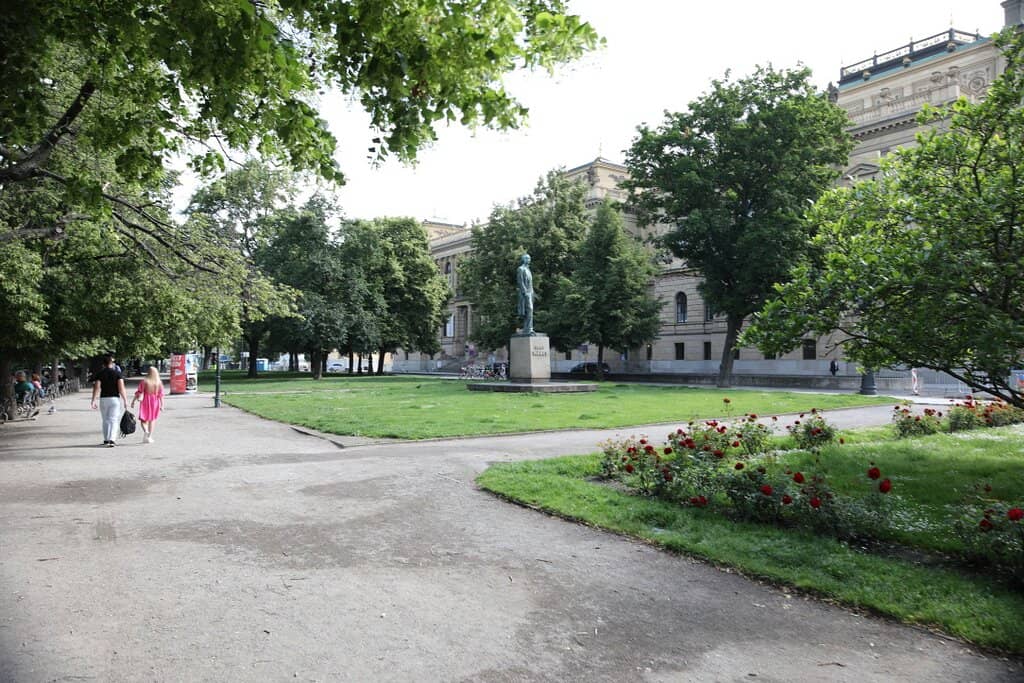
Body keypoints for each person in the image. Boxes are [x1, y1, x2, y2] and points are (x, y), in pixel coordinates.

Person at [90, 355, 128, 447]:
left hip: (103, 399)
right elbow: (121, 388)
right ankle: (112, 439)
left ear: (103, 364)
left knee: (105, 420)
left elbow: (97, 387)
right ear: (112, 363)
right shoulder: (117, 374)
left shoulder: (100, 374)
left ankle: (106, 439)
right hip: (114, 399)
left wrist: (93, 400)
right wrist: (125, 400)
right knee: (113, 420)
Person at [131, 366, 164, 444]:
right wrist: (162, 405)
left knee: (143, 419)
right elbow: (161, 395)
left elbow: (139, 392)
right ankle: (149, 437)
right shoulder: (159, 382)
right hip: (155, 402)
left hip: (145, 401)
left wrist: (133, 401)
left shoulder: (144, 381)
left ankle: (146, 430)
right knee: (152, 420)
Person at [516, 253, 535, 335]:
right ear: (523, 259)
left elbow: (530, 283)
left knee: (529, 311)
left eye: (529, 258)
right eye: (526, 258)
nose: (528, 260)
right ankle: (529, 328)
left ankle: (527, 328)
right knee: (529, 309)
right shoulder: (521, 269)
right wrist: (525, 292)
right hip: (525, 293)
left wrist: (532, 292)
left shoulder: (528, 270)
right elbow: (520, 281)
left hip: (531, 292)